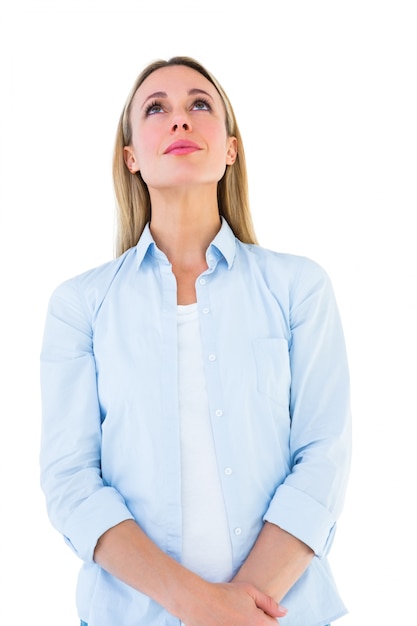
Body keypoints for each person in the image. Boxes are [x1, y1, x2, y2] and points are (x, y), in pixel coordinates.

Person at [40, 56, 351, 626]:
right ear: (131, 157)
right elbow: (71, 481)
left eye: (199, 105)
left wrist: (241, 611)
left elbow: (322, 460)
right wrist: (198, 607)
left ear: (230, 149)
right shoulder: (80, 306)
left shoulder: (299, 288)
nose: (179, 120)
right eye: (156, 109)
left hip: (281, 615)